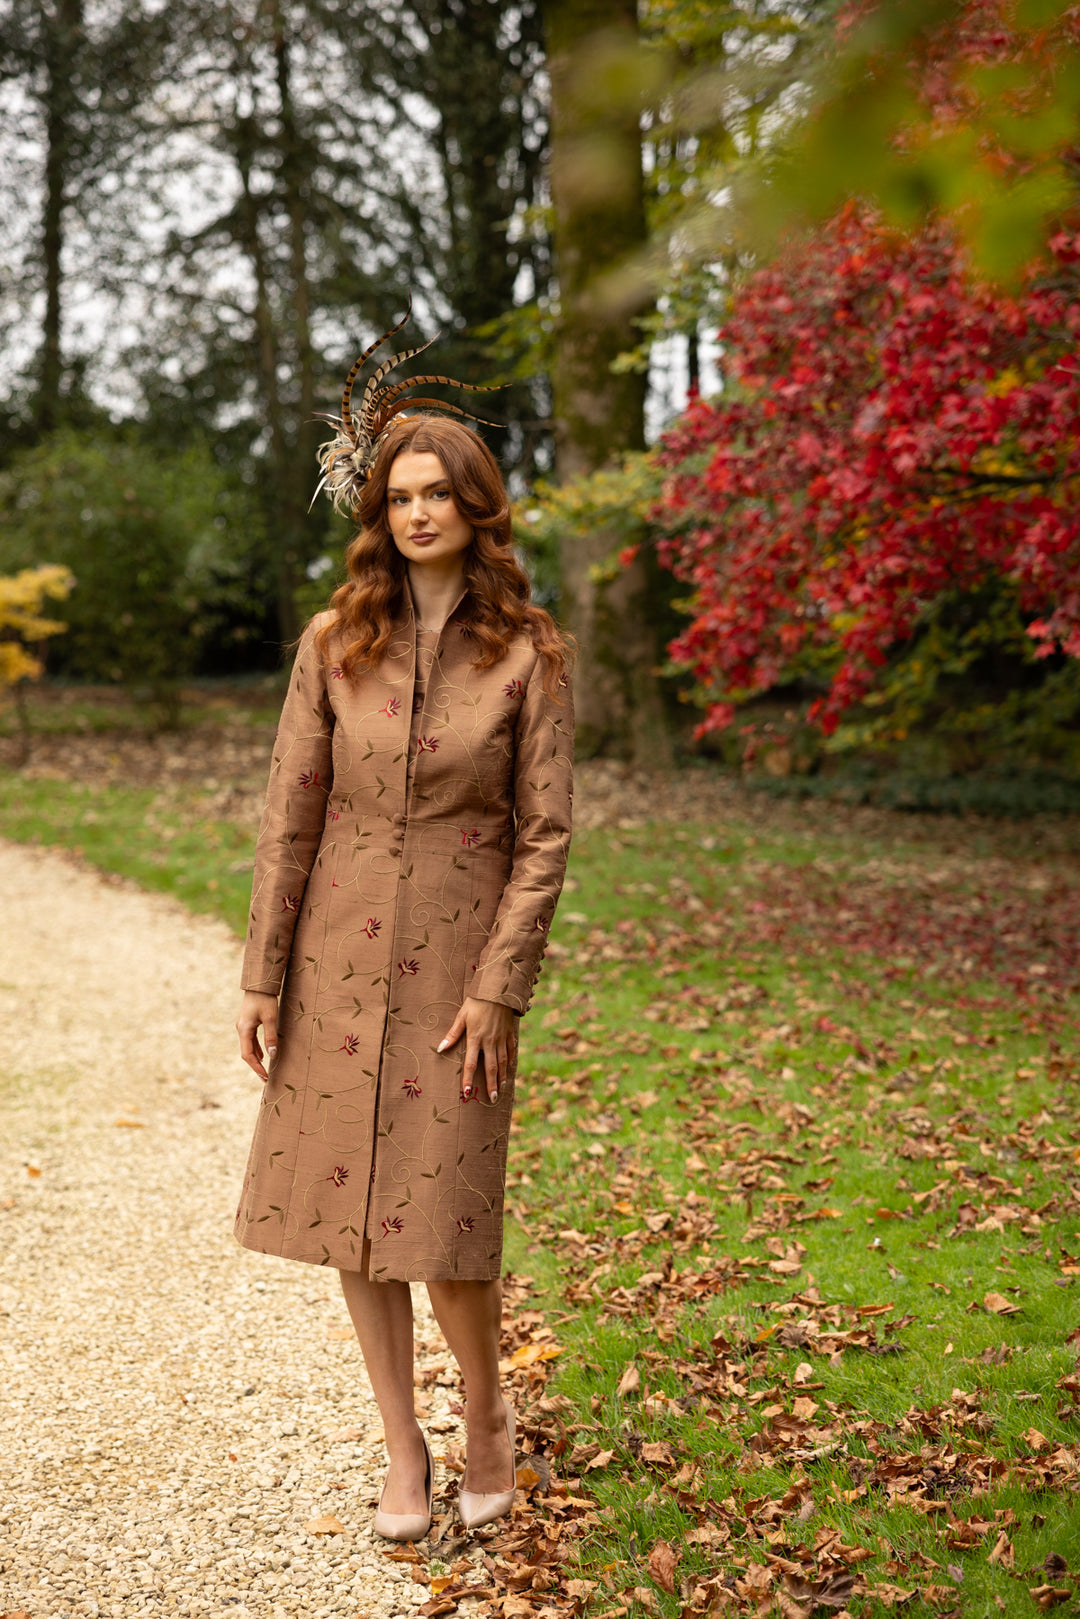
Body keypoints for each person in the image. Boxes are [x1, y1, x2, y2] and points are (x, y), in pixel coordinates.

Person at [234, 322, 574, 1543]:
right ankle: (402, 1444)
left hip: (456, 960)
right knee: (350, 1209)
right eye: (400, 495)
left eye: (440, 493)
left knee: (446, 1218)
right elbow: (289, 817)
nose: (420, 511)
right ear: (377, 511)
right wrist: (264, 975)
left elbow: (546, 836)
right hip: (334, 953)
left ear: (476, 509)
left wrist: (501, 987)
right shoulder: (334, 645)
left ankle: (487, 1412)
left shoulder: (527, 652)